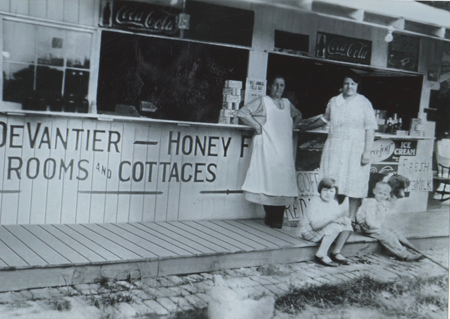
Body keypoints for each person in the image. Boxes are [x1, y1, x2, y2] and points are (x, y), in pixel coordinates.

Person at [298, 73, 378, 226]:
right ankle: (329, 216)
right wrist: (306, 127)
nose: (349, 87)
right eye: (347, 83)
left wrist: (367, 152)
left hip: (356, 148)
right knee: (333, 180)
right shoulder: (334, 101)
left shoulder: (363, 102)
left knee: (354, 182)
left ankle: (352, 219)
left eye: (353, 84)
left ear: (357, 86)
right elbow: (325, 118)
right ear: (342, 85)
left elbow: (370, 128)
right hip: (335, 147)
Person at [237, 75, 302, 229]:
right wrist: (257, 126)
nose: (278, 88)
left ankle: (276, 219)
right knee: (267, 180)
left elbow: (298, 115)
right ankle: (271, 217)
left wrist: (292, 128)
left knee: (282, 183)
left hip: (284, 149)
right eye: (276, 85)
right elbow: (242, 113)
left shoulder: (287, 104)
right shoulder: (263, 101)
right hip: (267, 147)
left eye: (282, 85)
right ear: (270, 86)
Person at [356, 182, 424, 261]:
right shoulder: (370, 202)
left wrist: (383, 227)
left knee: (395, 232)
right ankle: (404, 255)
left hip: (376, 226)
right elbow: (369, 221)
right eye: (380, 193)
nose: (382, 196)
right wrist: (382, 229)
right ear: (374, 191)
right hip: (368, 227)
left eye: (385, 195)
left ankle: (412, 249)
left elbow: (381, 218)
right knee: (388, 236)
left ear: (388, 195)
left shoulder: (382, 203)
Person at [300, 177, 353, 267]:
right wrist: (333, 219)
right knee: (335, 226)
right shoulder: (315, 202)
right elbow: (315, 226)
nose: (328, 193)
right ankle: (321, 254)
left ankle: (336, 252)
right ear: (320, 190)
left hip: (323, 231)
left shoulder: (334, 203)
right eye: (325, 190)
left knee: (347, 222)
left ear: (335, 192)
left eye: (331, 191)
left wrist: (340, 219)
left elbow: (335, 219)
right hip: (310, 231)